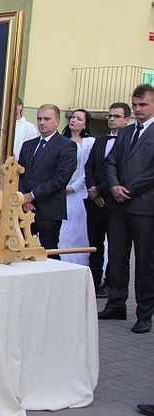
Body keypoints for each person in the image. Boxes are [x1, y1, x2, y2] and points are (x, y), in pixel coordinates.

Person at [98, 84, 154, 334]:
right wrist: (114, 186)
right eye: (135, 105)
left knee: (145, 262)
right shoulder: (125, 132)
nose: (139, 109)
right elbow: (110, 163)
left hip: (143, 206)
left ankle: (144, 313)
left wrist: (127, 189)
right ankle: (116, 304)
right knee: (118, 257)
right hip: (118, 205)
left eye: (143, 105)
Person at [18, 104, 77, 258]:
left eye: (47, 119)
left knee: (48, 253)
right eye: (39, 118)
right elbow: (20, 173)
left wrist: (33, 195)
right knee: (20, 250)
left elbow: (60, 179)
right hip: (25, 209)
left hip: (49, 210)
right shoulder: (28, 145)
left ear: (57, 121)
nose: (42, 122)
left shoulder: (66, 146)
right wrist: (24, 199)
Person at [85, 102, 130, 298]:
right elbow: (90, 166)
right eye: (110, 116)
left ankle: (110, 284)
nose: (112, 119)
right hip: (95, 201)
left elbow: (118, 171)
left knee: (115, 246)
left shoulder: (129, 141)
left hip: (114, 200)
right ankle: (94, 282)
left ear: (127, 120)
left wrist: (100, 189)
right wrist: (92, 191)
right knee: (95, 244)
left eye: (116, 116)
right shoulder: (100, 141)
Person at [58, 109, 94, 265]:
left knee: (78, 227)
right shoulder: (61, 140)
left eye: (79, 118)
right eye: (73, 117)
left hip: (79, 190)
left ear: (85, 124)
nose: (74, 120)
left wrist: (75, 186)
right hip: (60, 189)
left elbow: (89, 168)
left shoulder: (89, 142)